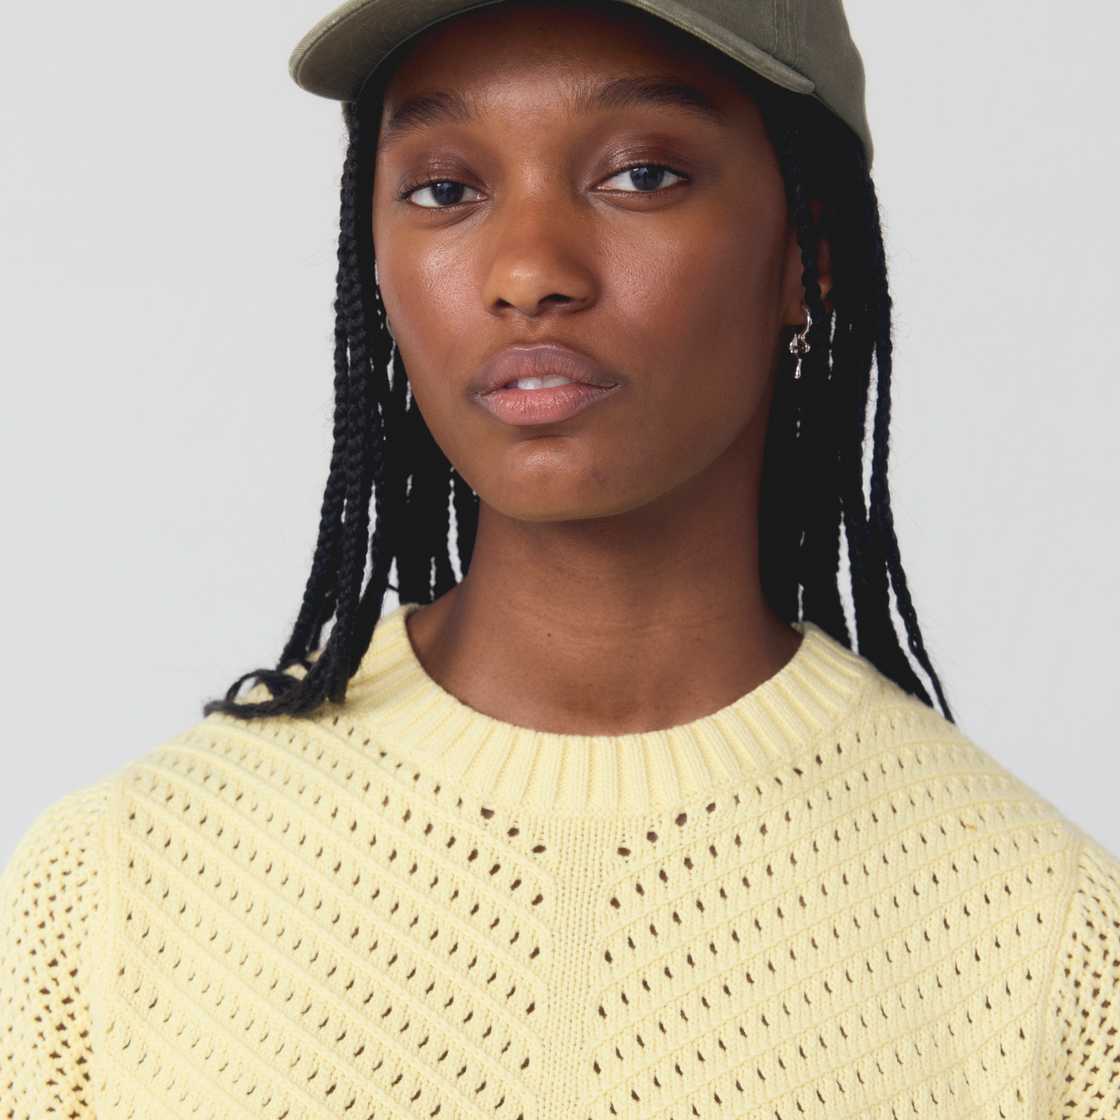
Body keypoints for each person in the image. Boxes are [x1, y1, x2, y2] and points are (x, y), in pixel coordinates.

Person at [2, 1, 1117, 1116]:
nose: (530, 270)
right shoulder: (115, 891)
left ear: (808, 251)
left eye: (641, 175)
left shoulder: (1044, 945)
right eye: (445, 188)